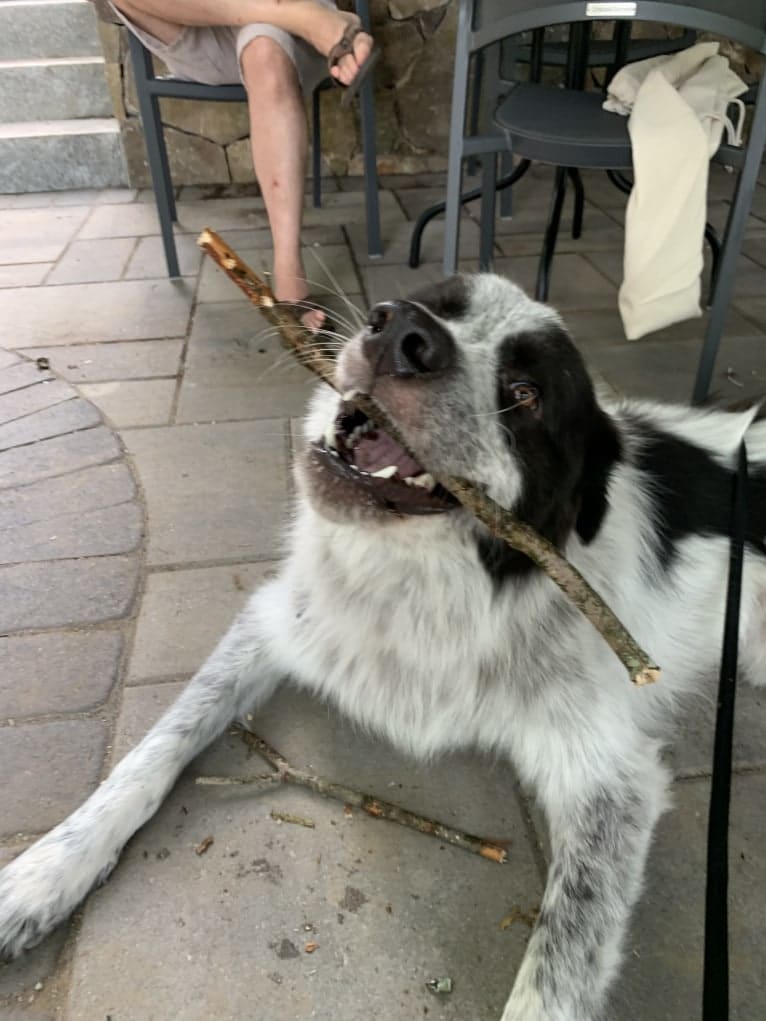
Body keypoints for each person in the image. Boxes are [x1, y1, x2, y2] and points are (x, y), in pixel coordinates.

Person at [103, 1, 376, 331]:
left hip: (282, 36)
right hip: (195, 23)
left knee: (264, 50)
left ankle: (288, 269)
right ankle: (312, 21)